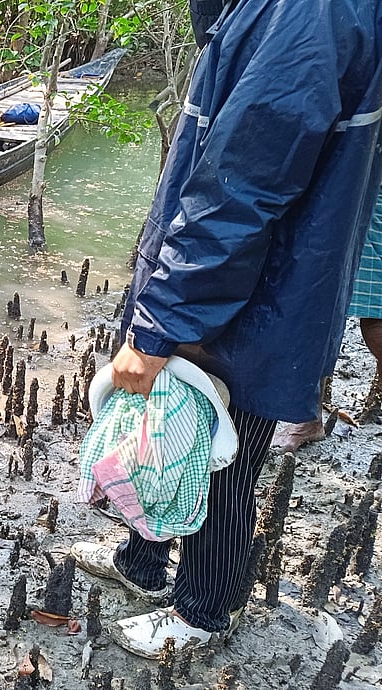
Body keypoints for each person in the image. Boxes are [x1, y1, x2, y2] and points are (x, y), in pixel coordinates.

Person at [71, 0, 382, 659]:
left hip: (250, 296)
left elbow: (240, 185)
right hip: (239, 284)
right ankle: (144, 560)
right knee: (158, 428)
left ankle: (205, 611)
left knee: (219, 455)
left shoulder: (307, 12)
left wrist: (158, 326)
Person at [271, 187, 382, 452]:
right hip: (337, 188)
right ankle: (308, 418)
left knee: (376, 318)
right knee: (318, 303)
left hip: (370, 189)